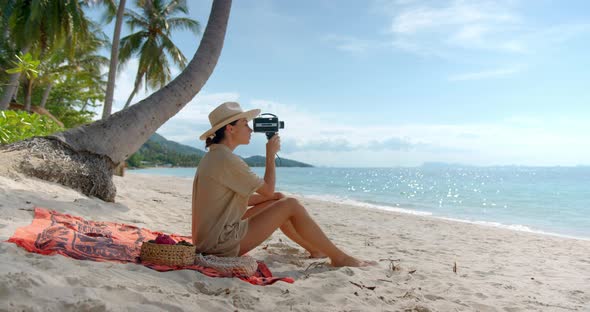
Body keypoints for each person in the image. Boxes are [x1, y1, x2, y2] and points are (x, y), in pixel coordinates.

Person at [192, 102, 375, 267]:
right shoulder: (226, 159)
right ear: (230, 129)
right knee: (291, 205)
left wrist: (273, 198)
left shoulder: (215, 156)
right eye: (245, 124)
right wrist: (270, 155)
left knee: (278, 202)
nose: (250, 130)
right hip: (220, 243)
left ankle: (316, 250)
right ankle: (339, 258)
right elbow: (267, 188)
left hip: (209, 238)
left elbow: (234, 201)